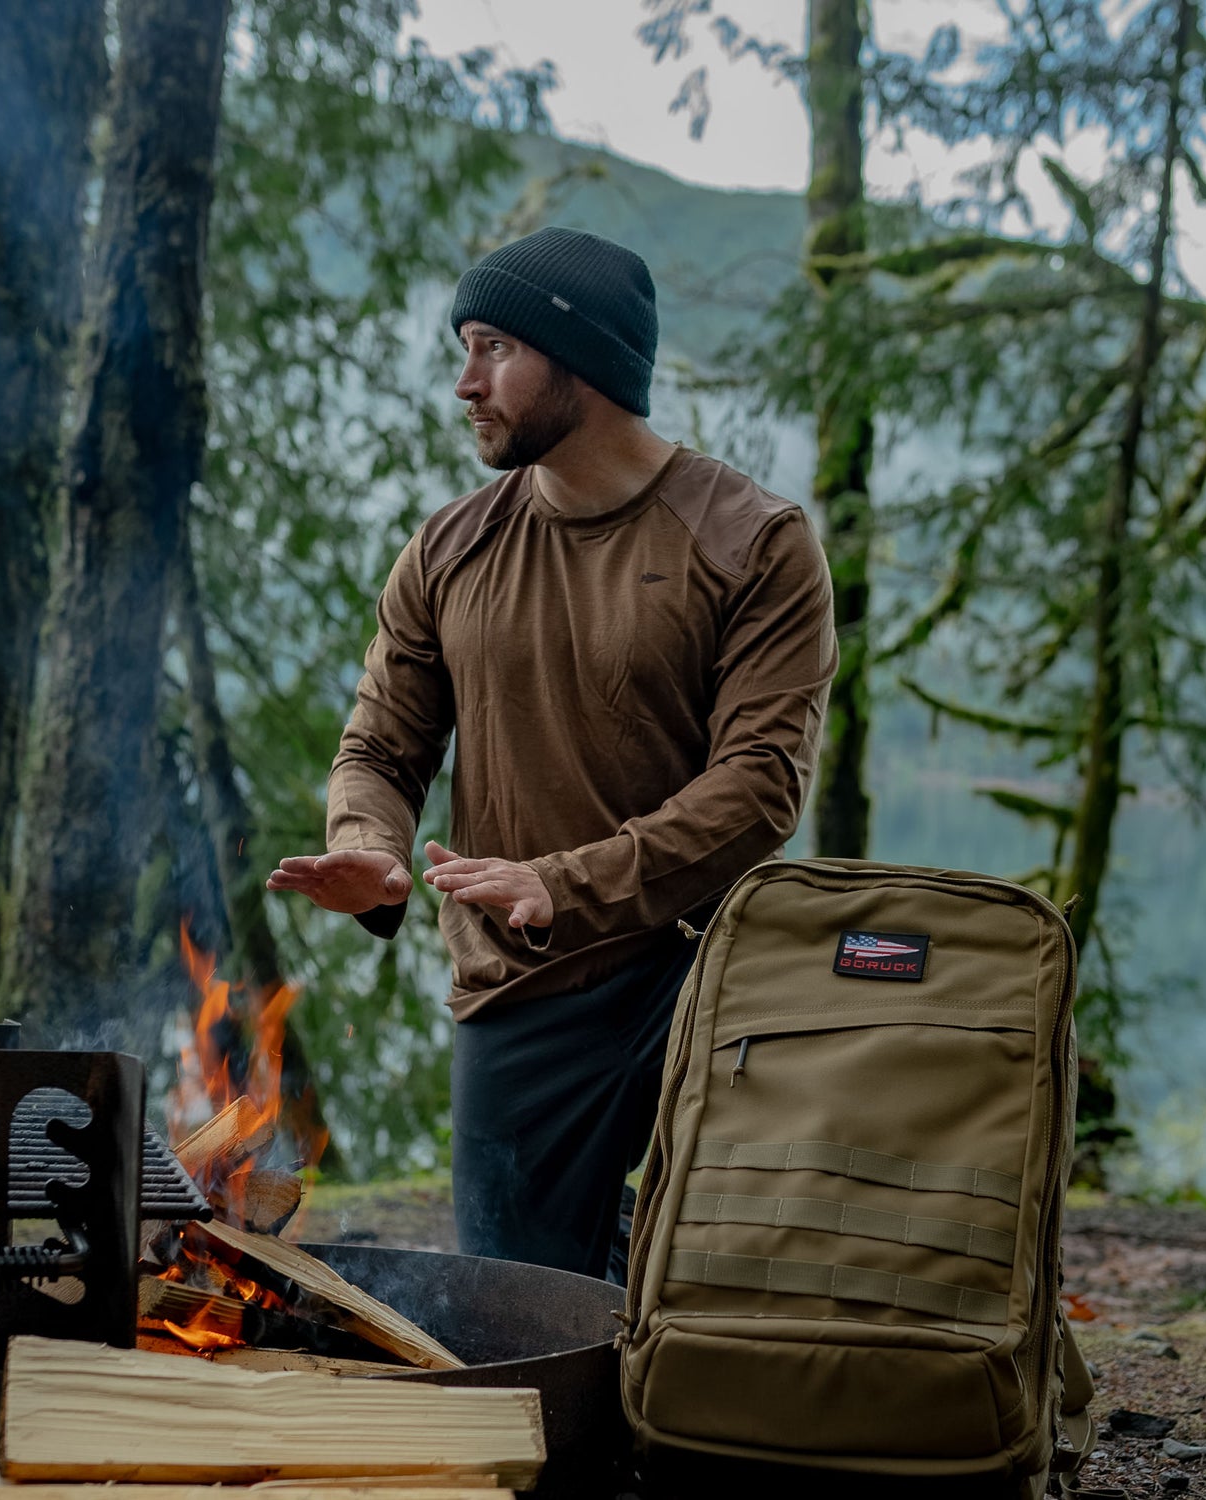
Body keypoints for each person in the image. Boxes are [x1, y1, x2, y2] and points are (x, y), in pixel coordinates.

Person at [268, 226, 836, 1282]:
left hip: (704, 969)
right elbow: (381, 751)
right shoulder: (447, 551)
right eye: (465, 349)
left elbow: (760, 787)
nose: (464, 382)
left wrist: (562, 884)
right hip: (517, 988)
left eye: (492, 349)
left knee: (741, 1276)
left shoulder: (752, 541)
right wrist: (373, 851)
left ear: (582, 361)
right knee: (521, 1308)